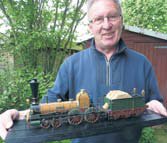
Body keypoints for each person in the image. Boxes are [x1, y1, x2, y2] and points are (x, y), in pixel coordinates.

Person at [0, 0, 167, 142]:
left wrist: (155, 107)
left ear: (121, 20)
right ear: (90, 26)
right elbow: (46, 106)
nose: (107, 25)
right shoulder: (71, 64)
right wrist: (18, 114)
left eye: (112, 17)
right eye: (99, 19)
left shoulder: (142, 63)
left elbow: (155, 110)